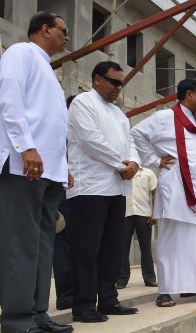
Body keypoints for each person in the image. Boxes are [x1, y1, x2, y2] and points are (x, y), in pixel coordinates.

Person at [0, 11, 74, 333]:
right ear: (44, 29)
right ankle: (17, 320)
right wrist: (25, 147)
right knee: (22, 243)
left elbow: (54, 126)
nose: (67, 37)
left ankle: (38, 313)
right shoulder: (21, 53)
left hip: (50, 172)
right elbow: (9, 97)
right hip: (23, 167)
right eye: (63, 30)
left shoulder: (48, 68)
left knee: (44, 244)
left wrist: (63, 167)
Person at [130, 79, 196, 307]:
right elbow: (136, 134)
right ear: (189, 95)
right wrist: (153, 160)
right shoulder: (165, 117)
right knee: (172, 240)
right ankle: (166, 290)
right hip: (175, 187)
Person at [67, 61, 141, 322]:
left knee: (112, 247)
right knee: (87, 248)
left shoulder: (120, 114)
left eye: (121, 83)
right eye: (114, 82)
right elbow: (90, 140)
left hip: (116, 189)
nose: (118, 88)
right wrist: (120, 164)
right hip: (90, 188)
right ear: (97, 79)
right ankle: (84, 305)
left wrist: (134, 162)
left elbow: (130, 143)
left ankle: (108, 299)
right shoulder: (83, 103)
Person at [52, 95, 77, 312]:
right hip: (63, 196)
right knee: (63, 247)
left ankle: (77, 292)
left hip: (83, 196)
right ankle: (66, 296)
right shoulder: (61, 130)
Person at [116, 166, 158, 289]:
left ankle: (149, 278)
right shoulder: (121, 172)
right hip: (125, 214)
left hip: (143, 213)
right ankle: (122, 279)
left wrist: (155, 213)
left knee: (146, 247)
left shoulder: (148, 172)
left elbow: (155, 192)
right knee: (122, 248)